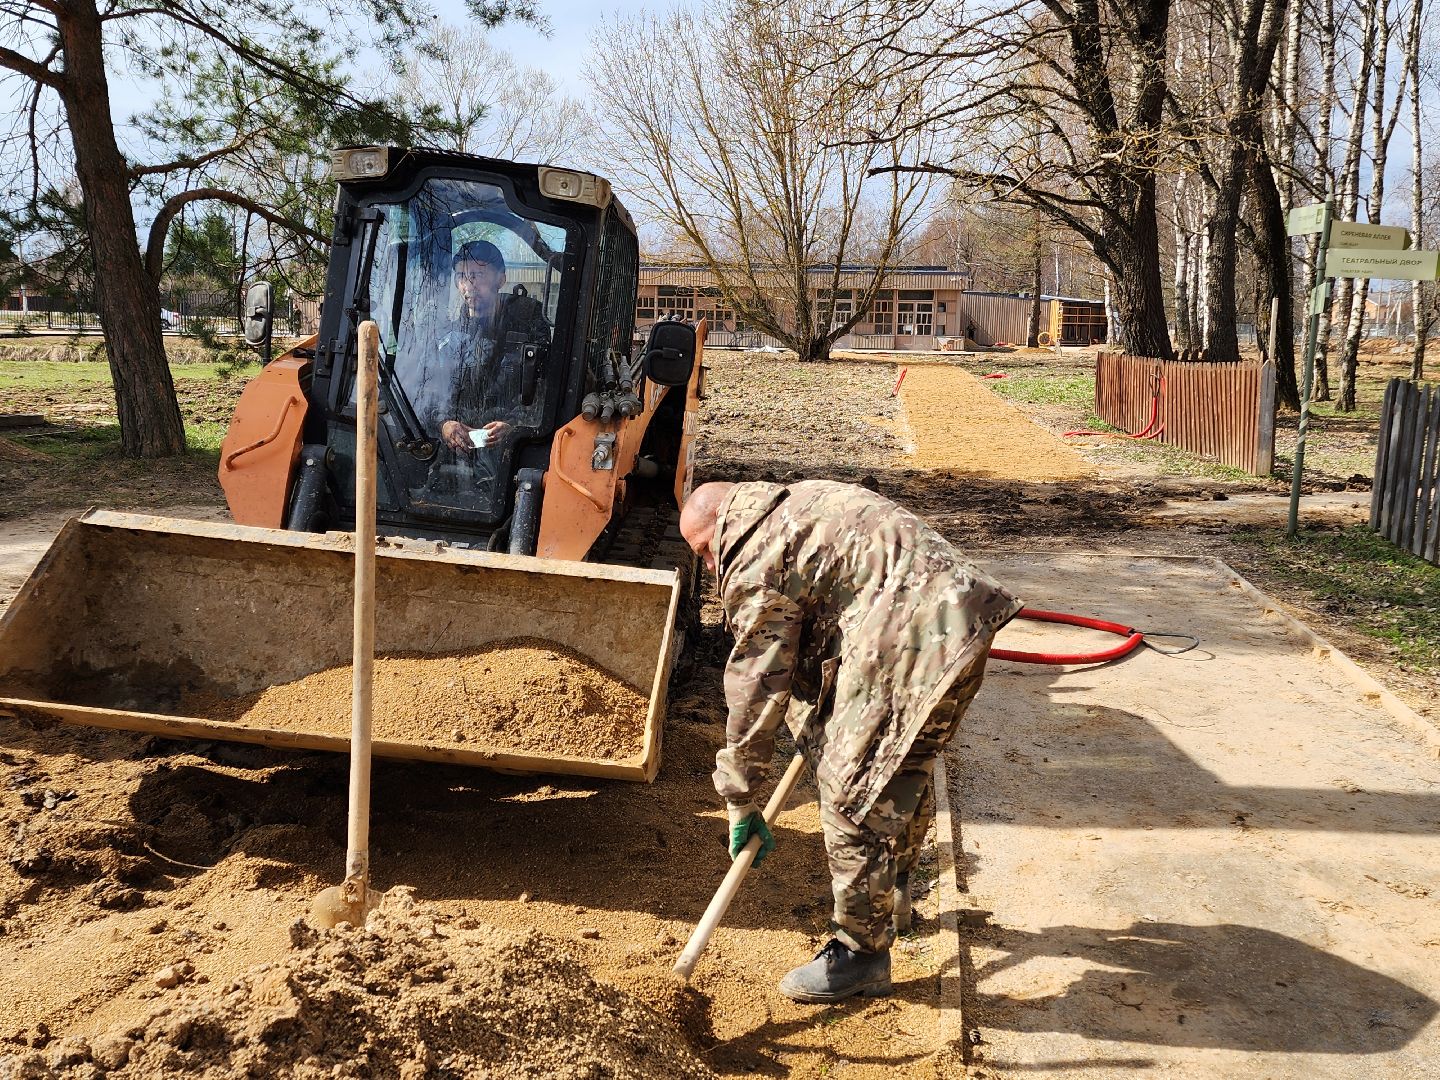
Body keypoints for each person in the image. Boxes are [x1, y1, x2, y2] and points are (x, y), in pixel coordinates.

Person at [679, 479, 1021, 1004]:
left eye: (704, 550)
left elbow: (756, 683)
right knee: (901, 766)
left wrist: (740, 796)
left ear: (719, 526)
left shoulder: (754, 554)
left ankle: (860, 952)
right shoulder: (799, 503)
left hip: (910, 639)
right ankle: (898, 894)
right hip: (960, 622)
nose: (707, 564)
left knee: (850, 792)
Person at [435, 239, 550, 454]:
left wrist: (514, 427)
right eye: (461, 276)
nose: (468, 285)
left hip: (514, 453)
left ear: (501, 279)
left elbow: (545, 389)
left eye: (477, 275)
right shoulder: (449, 338)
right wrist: (444, 424)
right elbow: (434, 392)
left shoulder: (528, 327)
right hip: (456, 452)